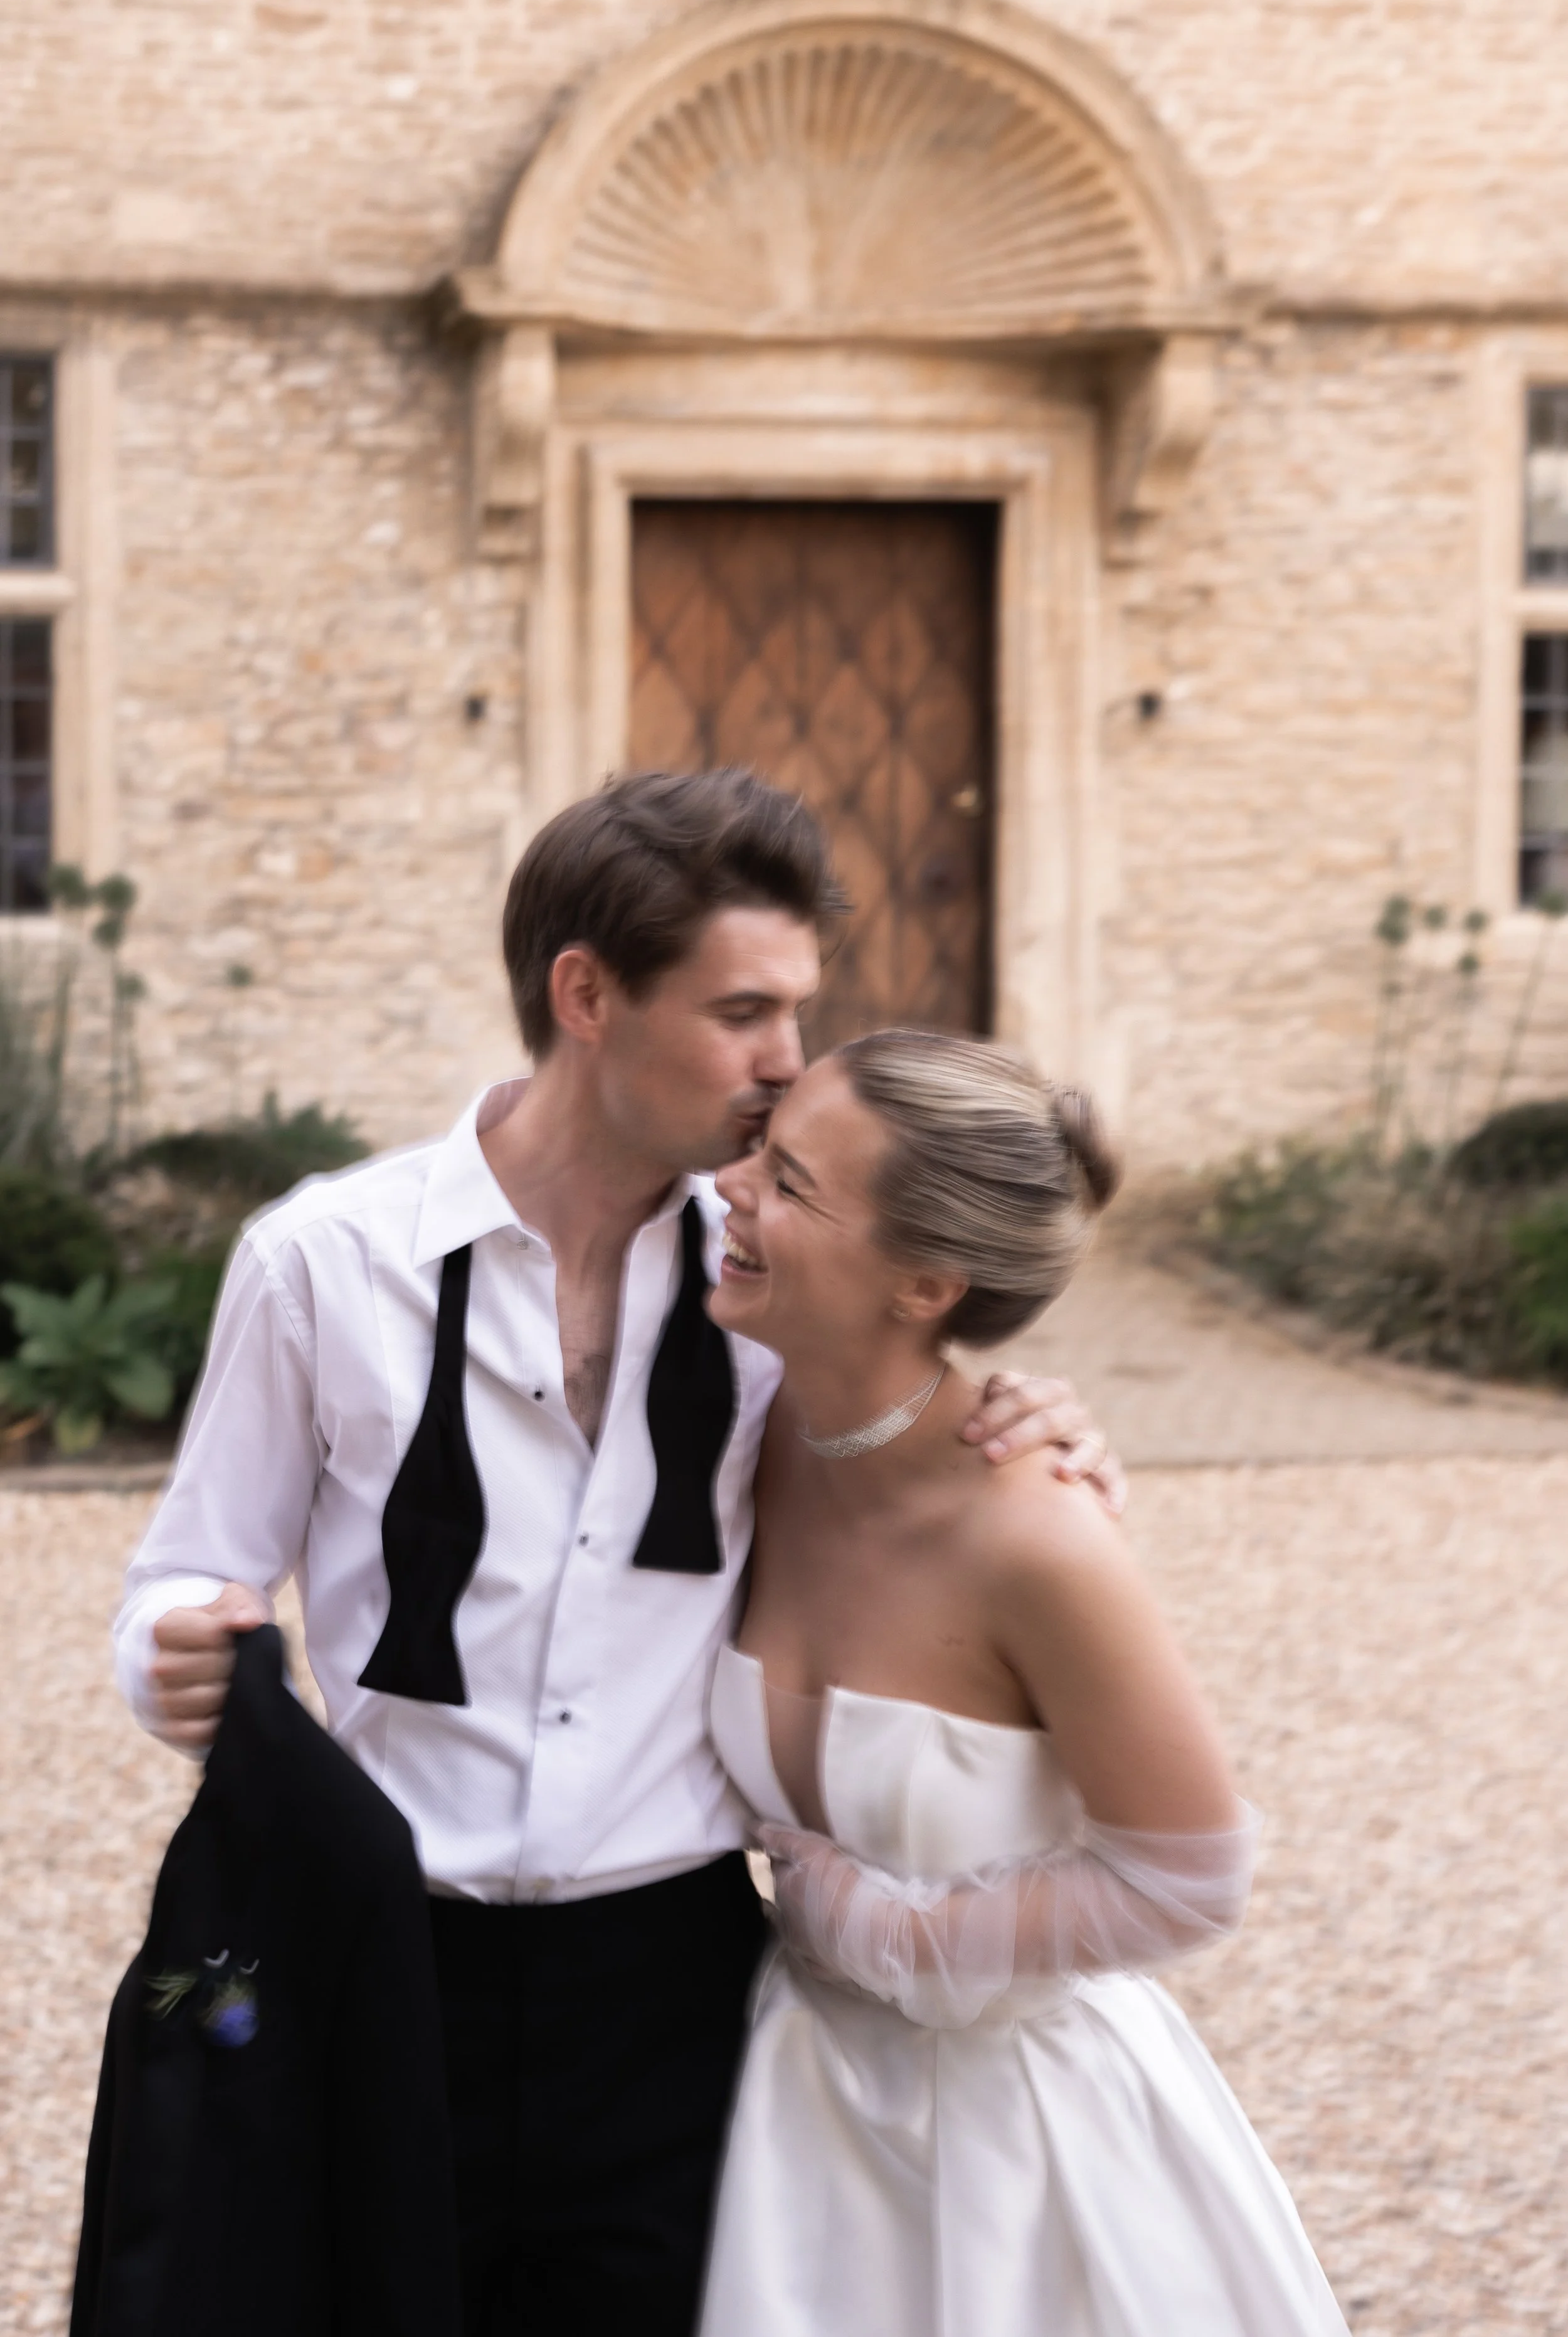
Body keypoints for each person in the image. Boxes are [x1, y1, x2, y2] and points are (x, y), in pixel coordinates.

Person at [114, 770, 1121, 2337]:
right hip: (381, 1965)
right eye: (742, 1011)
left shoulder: (778, 1284)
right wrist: (183, 1643)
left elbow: (914, 1439)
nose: (787, 1063)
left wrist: (1031, 1424)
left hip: (678, 1977)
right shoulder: (321, 1263)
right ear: (585, 993)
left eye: (798, 1008)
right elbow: (185, 1569)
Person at [699, 1029, 1351, 2337]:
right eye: (759, 1153)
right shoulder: (732, 1426)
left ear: (924, 1283)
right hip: (787, 2109)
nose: (731, 1191)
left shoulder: (1036, 1537)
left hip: (1016, 2149)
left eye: (790, 1183)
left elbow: (1188, 1876)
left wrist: (887, 1935)